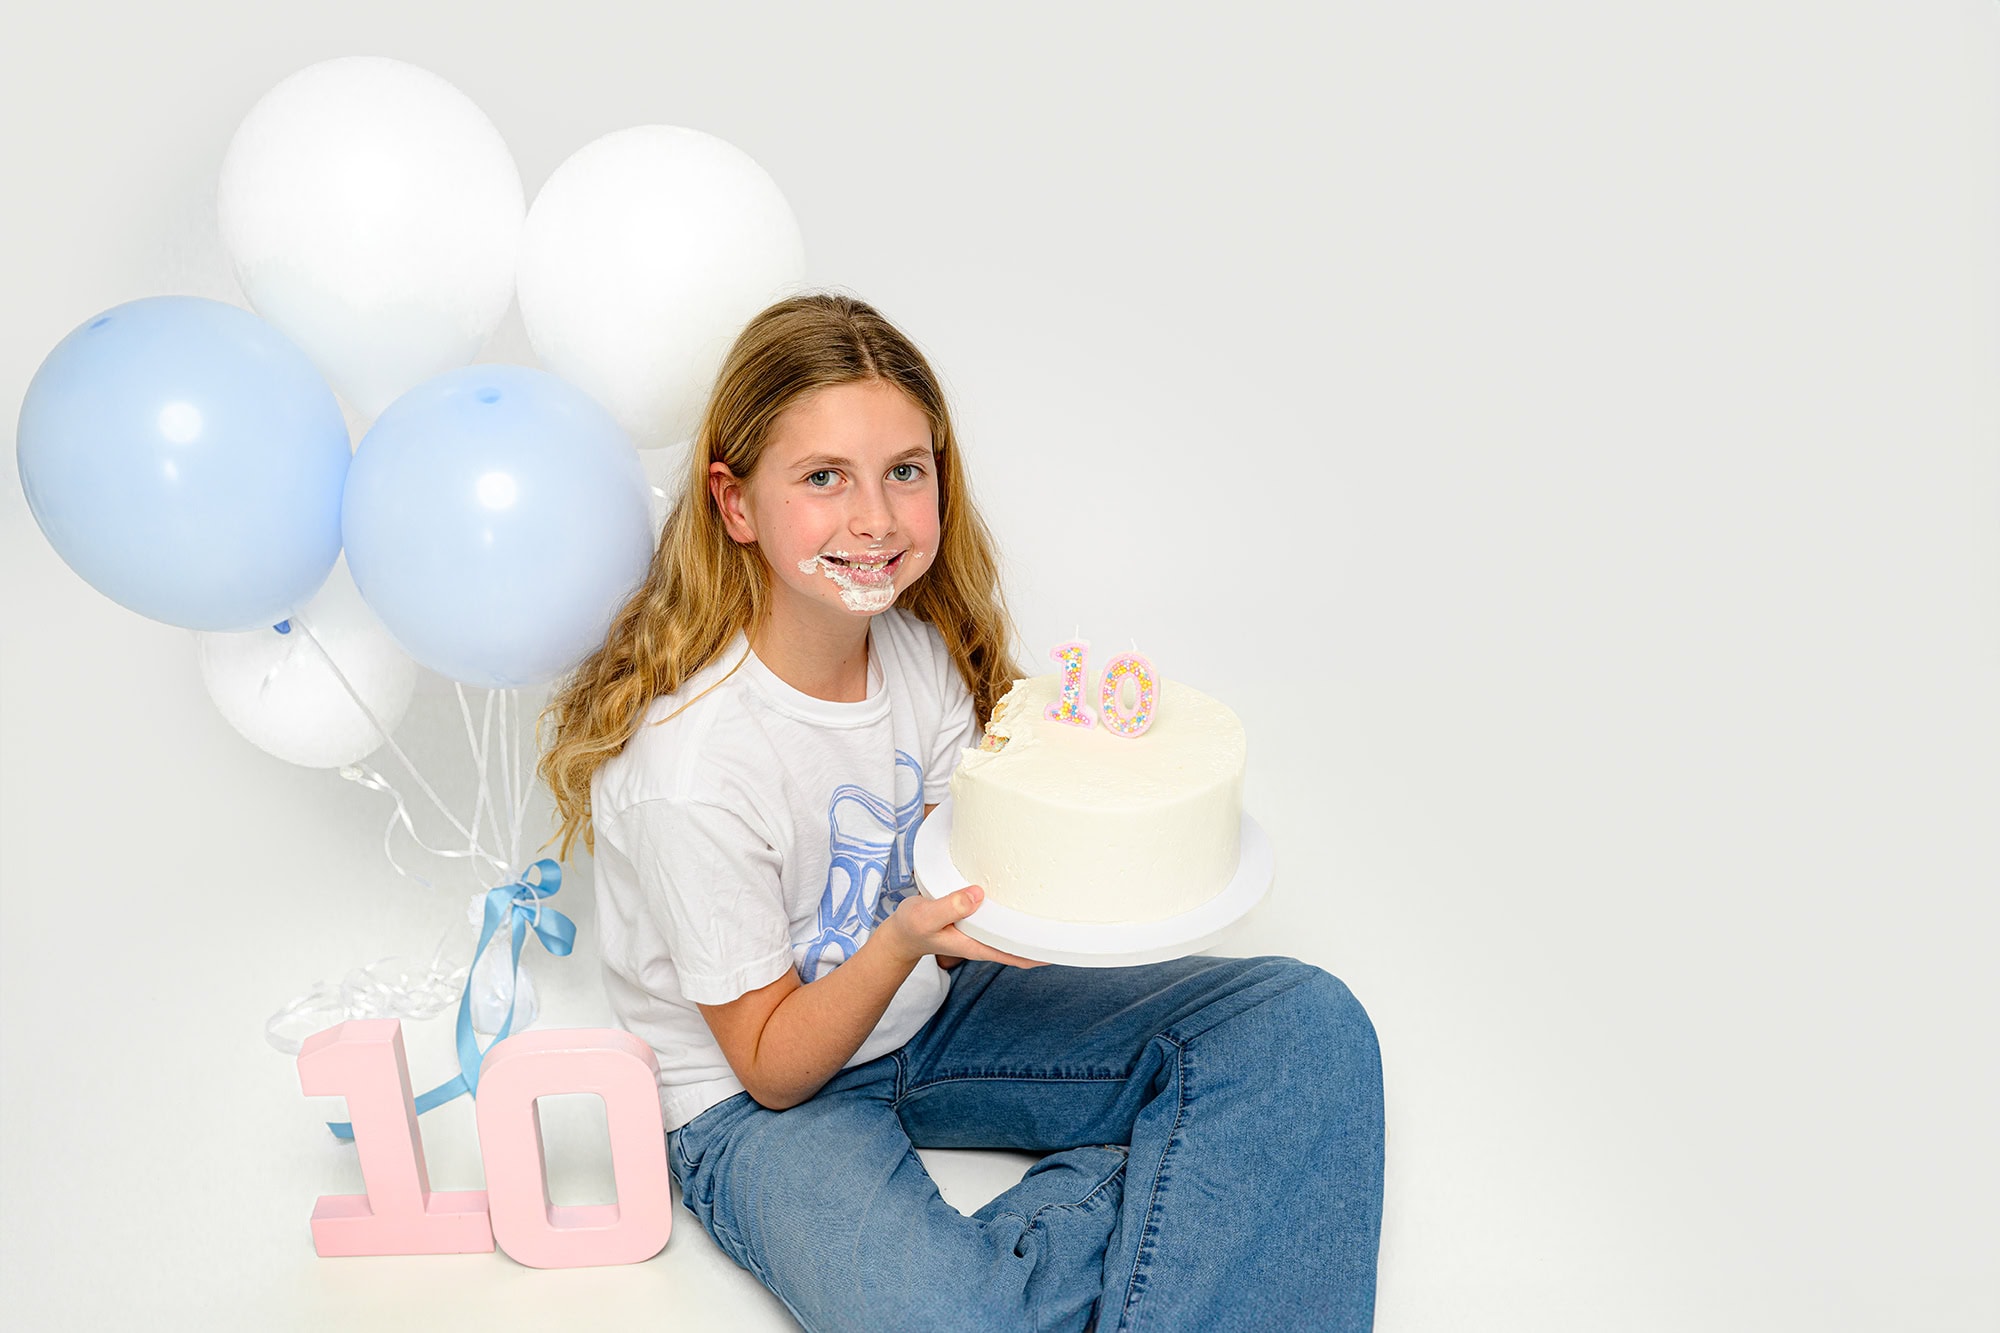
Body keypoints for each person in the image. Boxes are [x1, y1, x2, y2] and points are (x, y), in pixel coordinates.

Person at [537, 292, 1384, 1331]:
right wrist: (904, 940)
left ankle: (1190, 1185)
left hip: (937, 1013)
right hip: (762, 1101)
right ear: (736, 502)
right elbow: (771, 1065)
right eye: (821, 478)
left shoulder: (916, 658)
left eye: (905, 469)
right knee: (953, 1318)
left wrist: (1086, 812)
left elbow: (971, 873)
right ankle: (1183, 1188)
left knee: (1300, 1027)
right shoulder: (691, 770)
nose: (875, 518)